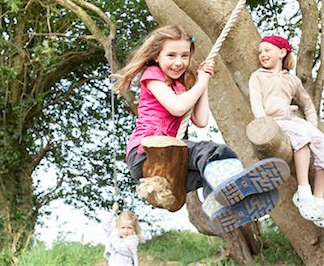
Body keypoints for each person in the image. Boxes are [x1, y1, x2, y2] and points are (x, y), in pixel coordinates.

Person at [113, 25, 290, 234]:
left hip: (170, 161)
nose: (179, 62)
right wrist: (201, 82)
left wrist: (202, 83)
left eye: (184, 56)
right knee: (215, 153)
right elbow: (178, 107)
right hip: (147, 153)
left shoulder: (181, 86)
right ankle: (231, 184)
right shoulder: (152, 75)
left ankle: (218, 207)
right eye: (171, 55)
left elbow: (201, 120)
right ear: (156, 56)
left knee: (210, 169)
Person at [248, 35, 324, 228]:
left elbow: (308, 104)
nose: (262, 54)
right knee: (301, 138)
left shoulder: (293, 80)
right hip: (274, 123)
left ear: (281, 52)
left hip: (294, 121)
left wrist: (313, 125)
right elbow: (256, 104)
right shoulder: (257, 76)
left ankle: (318, 202)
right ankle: (303, 192)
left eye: (267, 50)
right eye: (260, 52)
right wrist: (264, 125)